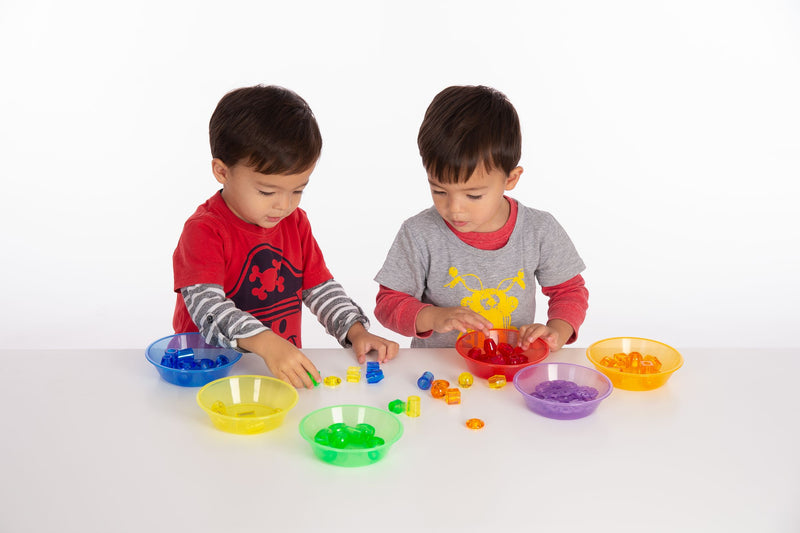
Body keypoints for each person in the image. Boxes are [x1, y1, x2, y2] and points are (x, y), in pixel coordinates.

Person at [173, 85, 398, 388]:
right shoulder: (204, 230)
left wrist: (356, 330)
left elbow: (319, 288)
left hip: (275, 374)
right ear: (222, 172)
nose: (284, 204)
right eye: (267, 191)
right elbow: (208, 309)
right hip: (209, 374)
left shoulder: (295, 223)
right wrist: (267, 343)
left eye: (298, 190)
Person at [374, 85, 588, 352]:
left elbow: (569, 292)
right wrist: (435, 317)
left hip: (509, 368)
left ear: (510, 179)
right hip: (438, 374)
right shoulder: (419, 233)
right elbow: (388, 304)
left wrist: (555, 332)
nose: (454, 209)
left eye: (473, 195)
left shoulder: (539, 230)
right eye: (439, 191)